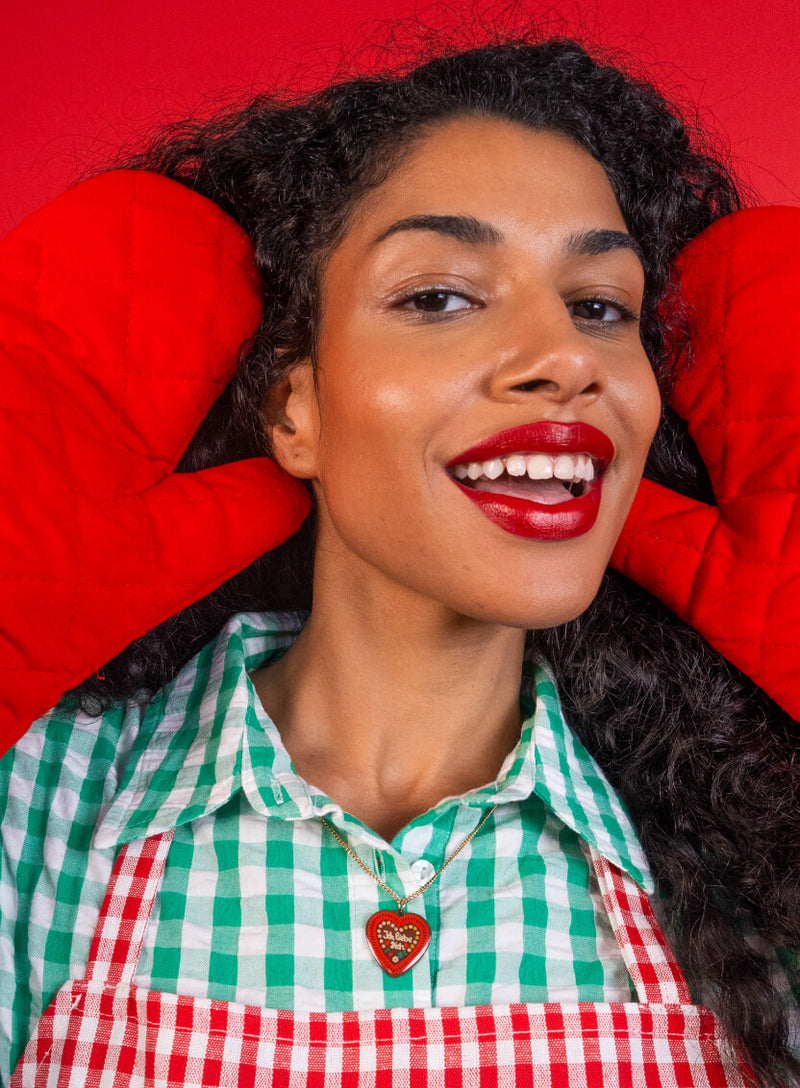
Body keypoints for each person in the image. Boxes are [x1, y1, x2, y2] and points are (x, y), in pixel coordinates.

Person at [1, 35, 798, 1088]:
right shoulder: (35, 803)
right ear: (294, 409)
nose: (566, 358)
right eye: (438, 297)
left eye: (600, 306)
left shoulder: (762, 841)